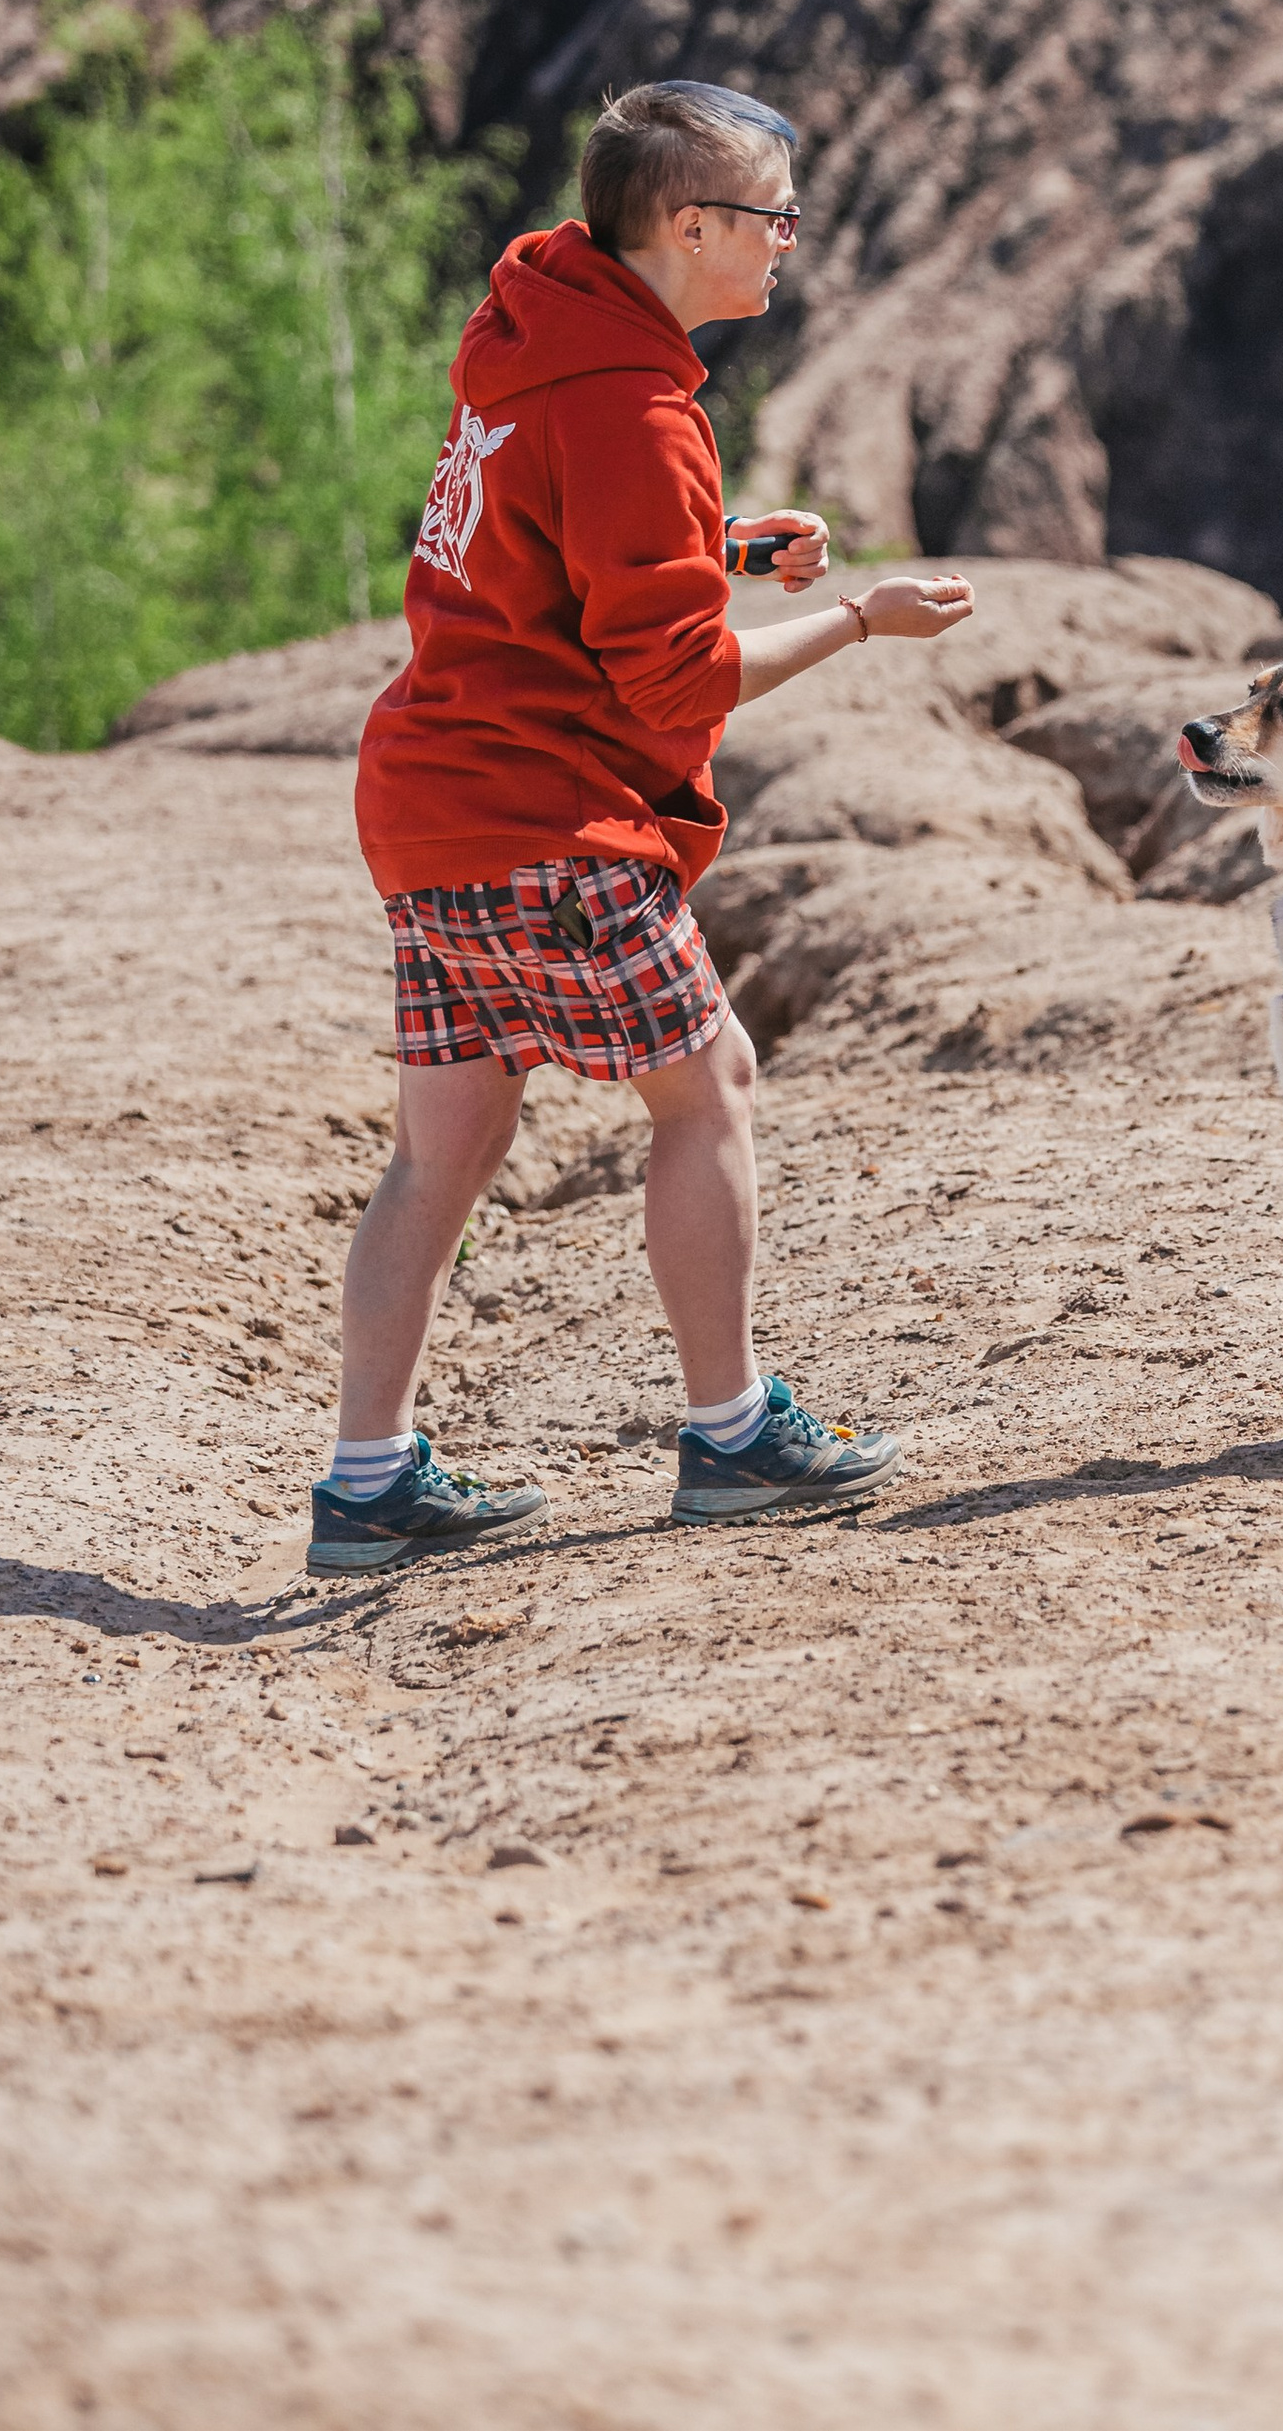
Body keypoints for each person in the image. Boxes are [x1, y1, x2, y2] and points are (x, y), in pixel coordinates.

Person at [310, 79, 974, 1574]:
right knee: (710, 1086)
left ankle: (366, 1478)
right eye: (774, 215)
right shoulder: (635, 398)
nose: (790, 241)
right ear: (690, 227)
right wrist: (861, 617)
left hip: (429, 802)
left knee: (445, 1146)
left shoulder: (535, 330)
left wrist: (720, 545)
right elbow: (679, 672)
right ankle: (733, 1434)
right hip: (541, 810)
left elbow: (542, 540)